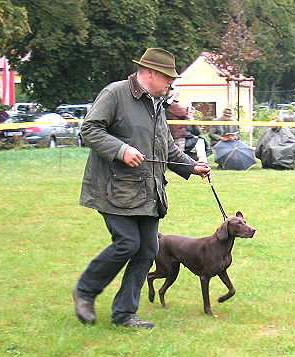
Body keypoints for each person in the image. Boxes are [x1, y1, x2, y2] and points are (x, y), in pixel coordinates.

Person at [73, 47, 211, 329]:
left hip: (148, 192)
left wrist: (190, 166)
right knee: (127, 243)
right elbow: (89, 130)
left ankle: (124, 314)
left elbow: (166, 148)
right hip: (114, 189)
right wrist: (121, 149)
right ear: (149, 73)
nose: (170, 83)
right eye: (167, 78)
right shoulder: (115, 94)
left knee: (148, 248)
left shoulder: (158, 104)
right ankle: (85, 292)